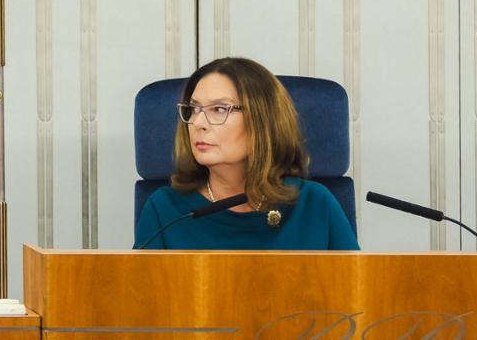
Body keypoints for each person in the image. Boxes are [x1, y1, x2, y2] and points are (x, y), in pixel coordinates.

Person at [133, 57, 358, 250]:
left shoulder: (314, 204)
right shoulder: (165, 211)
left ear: (262, 121)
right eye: (193, 109)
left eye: (219, 109)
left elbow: (358, 286)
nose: (198, 123)